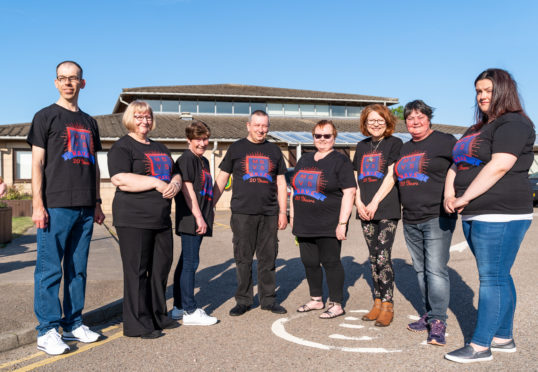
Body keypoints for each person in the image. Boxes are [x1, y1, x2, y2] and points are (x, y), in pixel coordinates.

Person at [444, 69, 535, 363]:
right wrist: (449, 195)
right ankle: (503, 337)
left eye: (489, 91)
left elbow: (499, 165)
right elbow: (457, 164)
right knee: (500, 275)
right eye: (479, 91)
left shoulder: (514, 123)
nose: (483, 96)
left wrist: (466, 196)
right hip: (474, 212)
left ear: (504, 91)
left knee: (491, 278)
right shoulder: (476, 129)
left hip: (502, 212)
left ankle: (481, 346)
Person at [27, 61, 105, 355]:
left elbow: (94, 166)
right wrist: (38, 204)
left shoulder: (89, 122)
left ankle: (73, 323)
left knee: (77, 270)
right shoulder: (45, 116)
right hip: (55, 205)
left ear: (82, 83)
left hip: (85, 206)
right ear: (56, 82)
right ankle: (47, 330)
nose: (68, 83)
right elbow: (37, 163)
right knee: (49, 271)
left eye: (74, 78)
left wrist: (97, 201)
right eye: (63, 78)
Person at [108, 101, 182, 339]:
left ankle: (158, 315)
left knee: (160, 269)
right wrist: (155, 182)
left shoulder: (160, 147)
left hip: (160, 218)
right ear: (130, 118)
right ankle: (137, 325)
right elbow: (119, 179)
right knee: (137, 272)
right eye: (139, 116)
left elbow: (174, 172)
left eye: (148, 116)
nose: (144, 121)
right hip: (133, 219)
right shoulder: (122, 147)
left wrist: (176, 183)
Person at [394, 100, 457, 346]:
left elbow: (461, 168)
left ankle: (439, 321)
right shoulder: (404, 148)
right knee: (420, 271)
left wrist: (455, 195)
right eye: (410, 118)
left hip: (436, 216)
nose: (415, 122)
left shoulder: (445, 141)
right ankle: (429, 315)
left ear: (428, 118)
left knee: (436, 270)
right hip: (410, 218)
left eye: (420, 117)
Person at [213, 110, 288, 316]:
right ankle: (244, 300)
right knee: (243, 258)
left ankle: (268, 299)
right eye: (257, 125)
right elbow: (221, 179)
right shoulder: (236, 148)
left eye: (264, 126)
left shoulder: (274, 151)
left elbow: (281, 183)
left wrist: (283, 212)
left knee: (268, 258)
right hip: (242, 213)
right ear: (248, 126)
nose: (261, 130)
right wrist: (209, 205)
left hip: (269, 213)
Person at [291, 120, 356, 319]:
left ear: (334, 137)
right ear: (313, 137)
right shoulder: (304, 160)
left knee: (331, 262)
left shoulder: (340, 160)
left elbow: (349, 191)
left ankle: (336, 303)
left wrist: (343, 223)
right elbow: (295, 189)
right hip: (304, 222)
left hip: (329, 222)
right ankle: (316, 299)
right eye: (318, 135)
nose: (322, 139)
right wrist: (292, 215)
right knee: (309, 262)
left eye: (327, 135)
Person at [353, 105, 402, 326]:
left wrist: (374, 202)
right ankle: (377, 301)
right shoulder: (361, 147)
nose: (375, 124)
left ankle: (388, 304)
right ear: (365, 123)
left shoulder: (395, 144)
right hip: (364, 208)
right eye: (371, 120)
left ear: (387, 121)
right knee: (372, 258)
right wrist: (358, 202)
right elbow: (355, 177)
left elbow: (392, 176)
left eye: (380, 120)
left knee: (383, 256)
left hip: (386, 208)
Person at [170, 120, 217, 326]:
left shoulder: (203, 161)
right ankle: (189, 310)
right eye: (198, 139)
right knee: (191, 263)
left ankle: (179, 307)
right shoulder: (186, 159)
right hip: (190, 218)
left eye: (206, 138)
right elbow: (188, 191)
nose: (203, 143)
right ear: (189, 140)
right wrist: (198, 217)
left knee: (185, 262)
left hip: (200, 217)